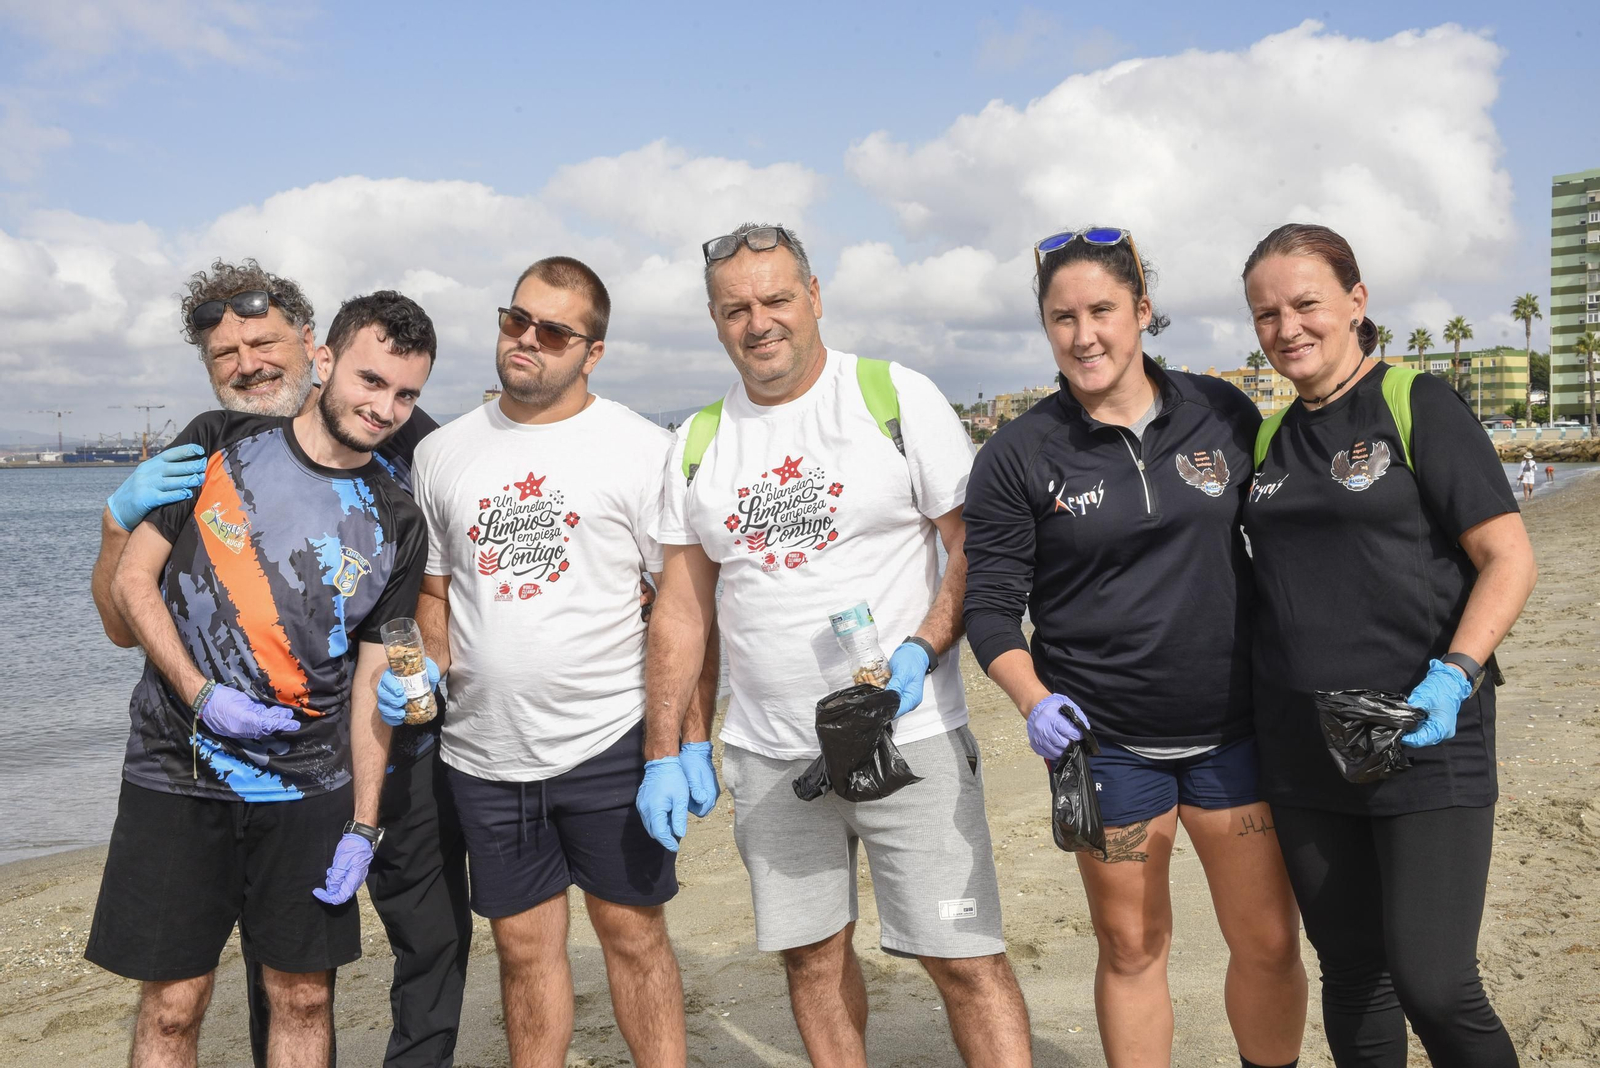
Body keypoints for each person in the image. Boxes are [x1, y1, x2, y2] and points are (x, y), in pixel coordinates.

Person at [639, 222, 1033, 1068]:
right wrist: (670, 749)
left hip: (908, 737)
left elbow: (972, 544)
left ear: (814, 299)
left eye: (777, 299)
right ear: (715, 321)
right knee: (813, 958)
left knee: (964, 959)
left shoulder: (893, 397)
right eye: (735, 308)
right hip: (773, 754)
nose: (759, 322)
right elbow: (681, 610)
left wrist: (922, 651)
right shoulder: (699, 443)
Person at [87, 262, 471, 1068]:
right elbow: (128, 615)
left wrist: (416, 676)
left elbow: (422, 587)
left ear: (311, 344)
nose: (247, 363)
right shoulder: (215, 443)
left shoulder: (406, 434)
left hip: (372, 741)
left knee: (426, 930)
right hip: (216, 762)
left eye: (261, 342)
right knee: (263, 984)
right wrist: (116, 522)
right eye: (223, 354)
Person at [962, 227, 1306, 1068]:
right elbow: (992, 612)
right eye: (1062, 317)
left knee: (1266, 942)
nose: (1084, 335)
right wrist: (1034, 700)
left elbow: (1298, 537)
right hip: (1108, 745)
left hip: (1236, 732)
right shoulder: (1018, 454)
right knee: (1131, 946)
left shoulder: (1221, 412)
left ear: (1143, 313)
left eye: (1102, 311)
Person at [1241, 223, 1537, 1067]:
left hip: (1423, 733)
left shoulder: (1417, 403)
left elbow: (1509, 557)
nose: (1287, 328)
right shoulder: (1269, 438)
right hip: (1303, 751)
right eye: (1266, 315)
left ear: (1356, 302)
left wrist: (1454, 676)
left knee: (1436, 981)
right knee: (1354, 973)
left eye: (1306, 304)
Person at [411, 256, 714, 1068]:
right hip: (482, 748)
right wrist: (423, 673)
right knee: (521, 948)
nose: (527, 341)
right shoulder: (442, 452)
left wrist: (685, 744)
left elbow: (682, 612)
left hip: (609, 738)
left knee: (633, 935)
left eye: (552, 331)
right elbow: (435, 595)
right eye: (516, 319)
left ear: (593, 351)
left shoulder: (642, 448)